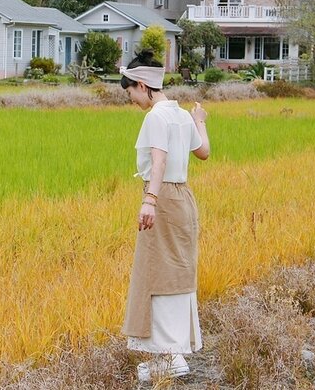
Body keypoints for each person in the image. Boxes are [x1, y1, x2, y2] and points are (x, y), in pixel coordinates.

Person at [118, 50, 211, 383]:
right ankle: (174, 353)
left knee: (158, 273)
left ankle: (169, 357)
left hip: (165, 198)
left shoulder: (156, 116)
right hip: (184, 198)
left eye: (130, 92)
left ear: (142, 86)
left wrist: (150, 200)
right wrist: (199, 120)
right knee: (177, 273)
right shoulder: (182, 115)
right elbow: (203, 152)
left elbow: (158, 162)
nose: (131, 100)